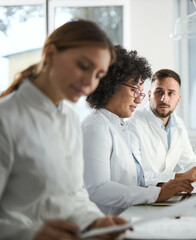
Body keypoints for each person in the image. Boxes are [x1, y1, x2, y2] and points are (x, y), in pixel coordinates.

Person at [0, 20, 128, 240]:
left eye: (98, 75)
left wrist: (95, 221)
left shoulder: (69, 119)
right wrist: (30, 234)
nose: (89, 82)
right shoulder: (6, 118)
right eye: (83, 66)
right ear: (50, 55)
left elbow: (73, 194)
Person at [82, 47, 193, 215]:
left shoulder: (119, 126)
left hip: (130, 216)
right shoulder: (95, 128)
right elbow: (97, 188)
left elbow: (134, 180)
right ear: (111, 84)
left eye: (141, 92)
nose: (139, 99)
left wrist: (164, 186)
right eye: (134, 89)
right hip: (106, 225)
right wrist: (156, 194)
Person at [128, 69, 196, 186]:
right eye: (159, 92)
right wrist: (179, 177)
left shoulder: (178, 124)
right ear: (149, 95)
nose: (164, 99)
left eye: (171, 93)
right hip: (142, 198)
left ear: (178, 99)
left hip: (165, 196)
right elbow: (136, 176)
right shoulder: (133, 125)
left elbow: (189, 161)